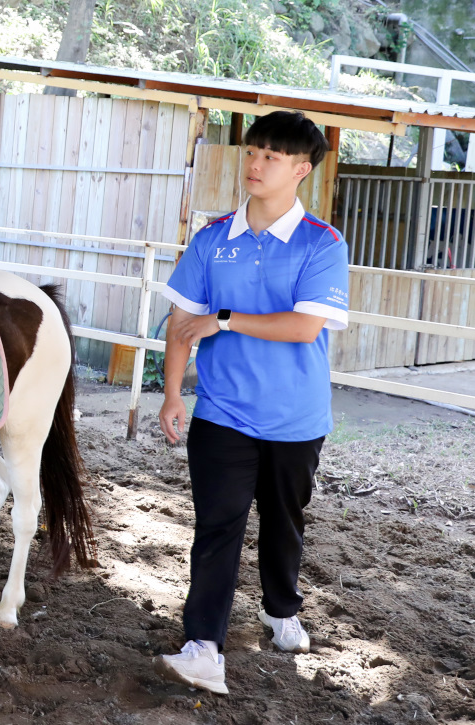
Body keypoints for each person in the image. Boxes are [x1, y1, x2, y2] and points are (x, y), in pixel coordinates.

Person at [153, 110, 350, 696]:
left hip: (297, 417)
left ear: (301, 169)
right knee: (217, 526)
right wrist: (169, 391)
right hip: (223, 413)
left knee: (285, 523)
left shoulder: (322, 243)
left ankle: (280, 609)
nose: (256, 164)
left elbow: (304, 327)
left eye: (271, 156)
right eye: (252, 152)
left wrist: (225, 321)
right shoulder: (214, 238)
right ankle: (202, 645)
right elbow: (180, 322)